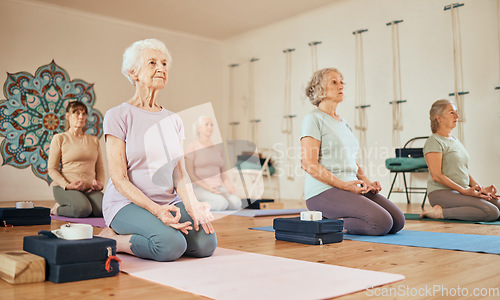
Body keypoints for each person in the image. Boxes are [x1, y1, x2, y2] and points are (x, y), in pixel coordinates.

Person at [98, 38, 216, 262]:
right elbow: (119, 178)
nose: (161, 68)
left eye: (164, 63)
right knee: (170, 245)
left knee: (205, 243)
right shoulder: (118, 115)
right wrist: (156, 211)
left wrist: (193, 205)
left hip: (167, 202)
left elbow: (179, 174)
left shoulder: (173, 120)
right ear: (133, 73)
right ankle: (113, 239)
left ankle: (156, 228)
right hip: (126, 204)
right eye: (152, 63)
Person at [300, 68, 405, 235]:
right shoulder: (313, 119)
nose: (341, 85)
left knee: (398, 220)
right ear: (319, 88)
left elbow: (350, 161)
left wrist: (368, 183)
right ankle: (330, 223)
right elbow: (309, 164)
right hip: (322, 192)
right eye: (334, 82)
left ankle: (338, 216)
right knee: (381, 223)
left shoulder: (343, 123)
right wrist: (344, 185)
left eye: (342, 82)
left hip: (349, 188)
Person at [420, 99, 499, 221]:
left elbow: (463, 170)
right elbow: (437, 176)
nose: (457, 116)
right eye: (452, 112)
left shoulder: (455, 141)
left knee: (499, 206)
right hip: (441, 192)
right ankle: (440, 212)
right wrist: (464, 190)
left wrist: (480, 189)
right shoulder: (434, 141)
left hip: (461, 191)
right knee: (491, 212)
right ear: (439, 118)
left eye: (456, 112)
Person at [47, 101, 104, 218]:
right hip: (65, 188)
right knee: (83, 209)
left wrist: (100, 184)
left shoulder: (94, 140)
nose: (81, 117)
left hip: (89, 190)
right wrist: (67, 185)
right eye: (76, 113)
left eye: (84, 114)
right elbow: (51, 169)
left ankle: (85, 204)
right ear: (67, 116)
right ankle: (57, 209)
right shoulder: (60, 138)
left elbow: (100, 167)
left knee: (105, 209)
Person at [185, 116, 241, 211]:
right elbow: (189, 173)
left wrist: (228, 185)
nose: (210, 127)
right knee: (221, 203)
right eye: (206, 124)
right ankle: (196, 206)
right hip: (199, 188)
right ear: (199, 128)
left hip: (217, 188)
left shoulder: (218, 148)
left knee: (236, 203)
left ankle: (213, 201)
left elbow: (223, 172)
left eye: (211, 125)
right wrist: (207, 187)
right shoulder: (192, 147)